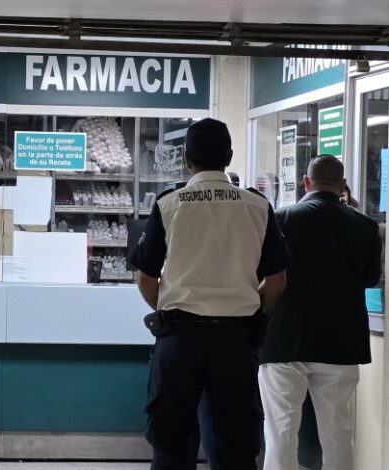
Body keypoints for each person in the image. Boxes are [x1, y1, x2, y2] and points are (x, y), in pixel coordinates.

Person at [131, 118, 287, 469]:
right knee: (236, 446)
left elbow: (144, 276)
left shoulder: (169, 204)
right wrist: (253, 316)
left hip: (179, 339)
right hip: (235, 342)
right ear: (229, 157)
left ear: (187, 159)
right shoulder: (258, 206)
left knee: (171, 444)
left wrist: (169, 310)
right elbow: (276, 281)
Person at [259, 155, 381, 470]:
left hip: (283, 341)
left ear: (306, 182)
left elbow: (263, 274)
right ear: (342, 185)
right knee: (339, 435)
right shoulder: (365, 226)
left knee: (280, 434)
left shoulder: (280, 218)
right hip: (340, 344)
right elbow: (369, 279)